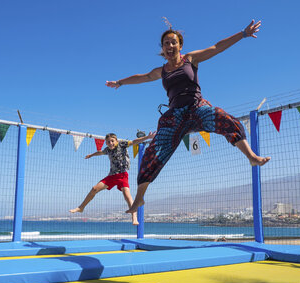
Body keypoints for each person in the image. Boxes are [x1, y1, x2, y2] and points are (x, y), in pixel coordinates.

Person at [105, 19, 270, 214]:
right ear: (163, 49)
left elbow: (216, 47)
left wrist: (242, 34)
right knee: (153, 153)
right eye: (166, 43)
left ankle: (251, 157)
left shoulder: (190, 60)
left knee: (225, 119)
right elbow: (142, 77)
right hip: (175, 116)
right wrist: (120, 82)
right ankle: (139, 199)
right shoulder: (161, 71)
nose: (169, 46)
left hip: (196, 107)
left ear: (180, 46)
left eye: (173, 42)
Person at [69, 132, 155, 224]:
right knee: (94, 188)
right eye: (108, 142)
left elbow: (134, 141)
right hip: (111, 176)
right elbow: (100, 152)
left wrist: (148, 137)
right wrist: (91, 155)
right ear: (106, 143)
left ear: (116, 141)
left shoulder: (122, 144)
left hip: (122, 175)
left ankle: (134, 217)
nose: (110, 143)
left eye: (112, 141)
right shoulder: (108, 150)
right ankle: (81, 207)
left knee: (127, 196)